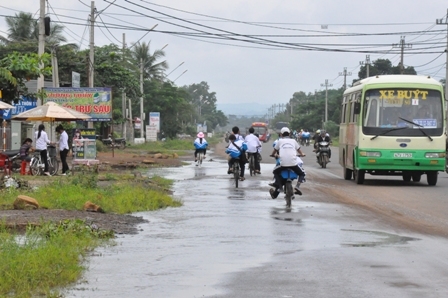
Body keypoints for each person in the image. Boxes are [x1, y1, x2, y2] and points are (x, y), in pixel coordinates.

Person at [269, 127, 306, 199]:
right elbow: (299, 150)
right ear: (289, 134)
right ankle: (298, 186)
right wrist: (302, 154)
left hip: (283, 164)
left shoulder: (279, 141)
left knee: (275, 171)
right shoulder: (294, 141)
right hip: (293, 164)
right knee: (302, 173)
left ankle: (279, 187)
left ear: (281, 134)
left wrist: (273, 155)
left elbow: (274, 152)